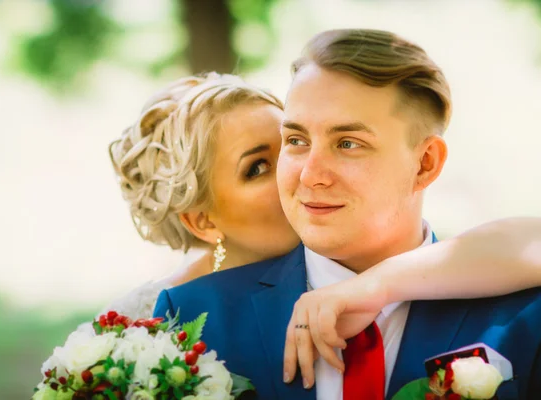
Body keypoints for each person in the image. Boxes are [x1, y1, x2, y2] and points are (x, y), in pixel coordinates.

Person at [152, 31, 541, 399]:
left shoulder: (523, 314)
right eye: (297, 140)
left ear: (424, 163)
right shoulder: (194, 318)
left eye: (348, 143)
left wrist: (379, 285)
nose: (310, 174)